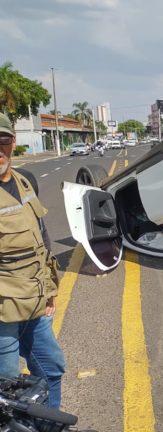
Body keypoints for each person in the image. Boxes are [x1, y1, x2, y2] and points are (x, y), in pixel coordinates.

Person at [0, 113, 65, 408]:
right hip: (3, 313)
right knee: (8, 388)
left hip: (36, 301)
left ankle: (48, 423)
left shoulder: (26, 182)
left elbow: (42, 236)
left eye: (2, 141)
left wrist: (50, 289)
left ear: (13, 142)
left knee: (51, 367)